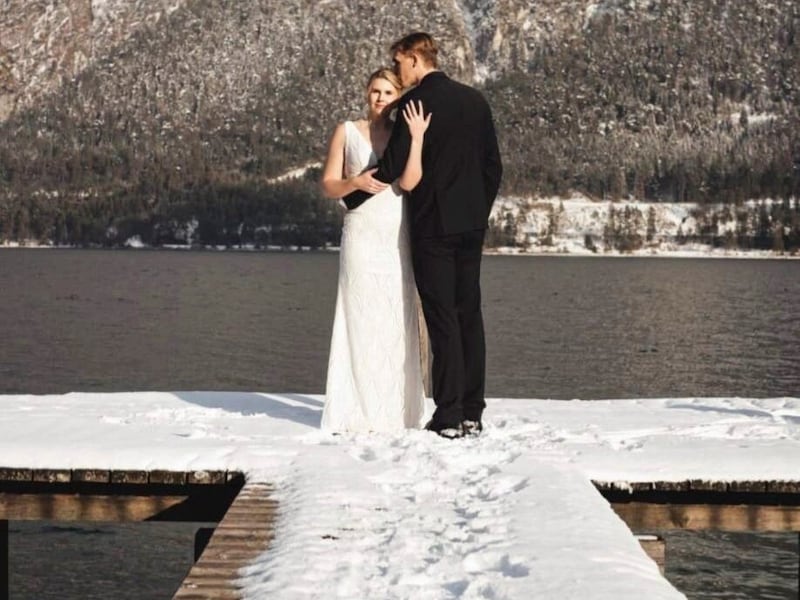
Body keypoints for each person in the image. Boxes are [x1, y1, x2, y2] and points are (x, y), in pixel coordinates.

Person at [343, 33, 503, 439]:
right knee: (469, 313)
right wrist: (477, 212)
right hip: (471, 226)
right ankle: (472, 412)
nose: (397, 70)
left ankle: (448, 415)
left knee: (442, 317)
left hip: (433, 225)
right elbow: (492, 168)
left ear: (414, 59)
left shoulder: (416, 103)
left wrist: (350, 198)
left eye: (398, 63)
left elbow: (392, 167)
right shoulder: (476, 101)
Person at [319, 68, 432, 433]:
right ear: (366, 94)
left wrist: (416, 139)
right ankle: (354, 410)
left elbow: (411, 181)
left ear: (398, 96)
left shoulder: (403, 134)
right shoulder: (347, 131)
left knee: (396, 316)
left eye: (387, 92)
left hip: (396, 234)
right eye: (374, 91)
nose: (380, 98)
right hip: (361, 234)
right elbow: (328, 185)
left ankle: (397, 411)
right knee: (359, 316)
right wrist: (354, 181)